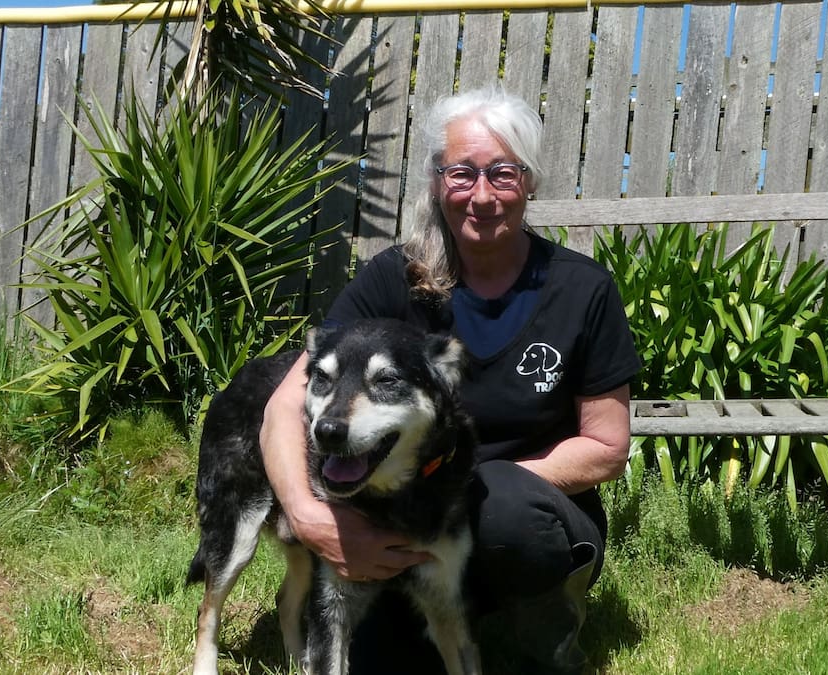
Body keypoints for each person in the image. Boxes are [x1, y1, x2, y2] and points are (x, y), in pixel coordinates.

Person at [258, 85, 641, 674]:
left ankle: (548, 643)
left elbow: (607, 448)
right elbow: (283, 408)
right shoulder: (392, 280)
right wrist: (311, 518)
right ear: (437, 182)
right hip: (404, 517)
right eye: (462, 173)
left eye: (503, 173)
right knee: (379, 664)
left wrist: (467, 485)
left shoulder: (582, 290)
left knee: (504, 510)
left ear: (530, 183)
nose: (481, 195)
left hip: (525, 515)